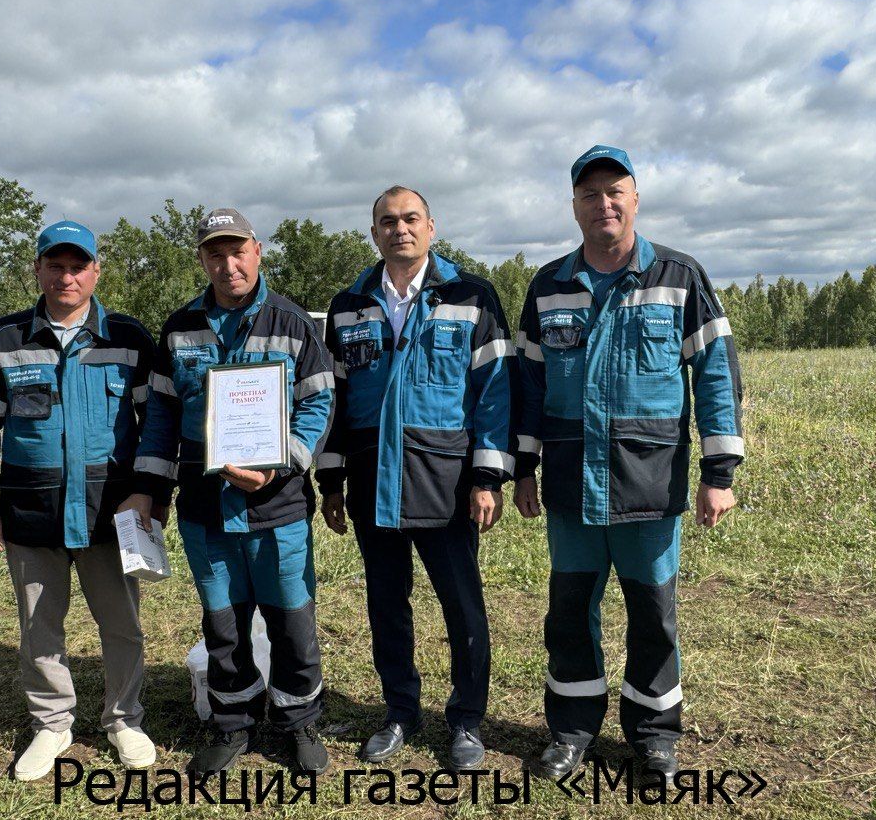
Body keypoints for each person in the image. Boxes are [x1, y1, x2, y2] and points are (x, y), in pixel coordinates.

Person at [514, 146, 744, 782]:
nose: (604, 204)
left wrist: (718, 473)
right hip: (570, 486)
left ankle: (653, 734)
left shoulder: (679, 276)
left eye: (615, 192)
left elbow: (717, 375)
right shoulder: (550, 285)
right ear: (575, 208)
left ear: (635, 199)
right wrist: (523, 468)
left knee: (653, 615)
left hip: (651, 480)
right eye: (590, 195)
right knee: (568, 615)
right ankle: (570, 731)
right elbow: (528, 385)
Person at [120, 208, 335, 775]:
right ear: (202, 260)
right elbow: (162, 416)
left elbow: (319, 404)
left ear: (257, 251)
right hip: (204, 506)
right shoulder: (181, 326)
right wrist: (147, 489)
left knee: (292, 618)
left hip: (277, 506)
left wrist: (281, 465)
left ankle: (299, 720)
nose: (228, 263)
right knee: (222, 620)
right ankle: (233, 721)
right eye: (215, 253)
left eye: (237, 250)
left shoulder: (293, 323)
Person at [316, 186, 514, 771]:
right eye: (387, 221)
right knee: (386, 604)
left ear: (432, 227)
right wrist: (331, 482)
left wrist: (487, 476)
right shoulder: (348, 304)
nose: (399, 229)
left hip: (446, 480)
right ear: (373, 233)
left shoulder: (471, 296)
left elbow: (494, 391)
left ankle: (466, 721)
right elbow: (334, 400)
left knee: (462, 604)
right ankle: (400, 711)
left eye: (410, 219)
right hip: (373, 478)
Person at [0, 220, 161, 781]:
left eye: (78, 266)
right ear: (39, 269)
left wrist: (149, 492)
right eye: (56, 265)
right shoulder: (3, 340)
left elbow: (156, 425)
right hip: (30, 511)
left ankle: (124, 718)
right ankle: (51, 724)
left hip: (112, 511)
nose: (66, 276)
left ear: (96, 271)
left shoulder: (129, 338)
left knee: (121, 624)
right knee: (39, 626)